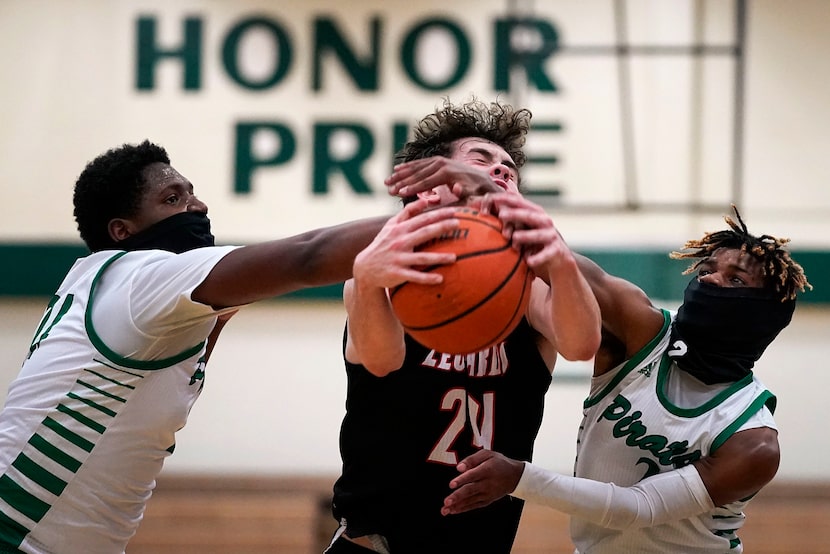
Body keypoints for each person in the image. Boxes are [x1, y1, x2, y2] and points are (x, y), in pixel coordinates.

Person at [0, 140, 462, 554]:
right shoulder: (143, 277)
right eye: (172, 199)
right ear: (123, 230)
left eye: (191, 192)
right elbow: (308, 254)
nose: (197, 207)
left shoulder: (116, 290)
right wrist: (456, 214)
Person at [439, 205, 812, 553]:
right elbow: (563, 266)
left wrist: (518, 477)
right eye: (706, 269)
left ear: (760, 315)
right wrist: (493, 201)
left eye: (734, 279)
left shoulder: (752, 439)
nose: (710, 278)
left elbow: (635, 507)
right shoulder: (640, 334)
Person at [326, 99, 602, 554]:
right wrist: (368, 277)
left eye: (509, 168)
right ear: (430, 185)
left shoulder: (528, 284)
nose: (500, 171)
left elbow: (581, 344)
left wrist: (556, 255)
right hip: (375, 544)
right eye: (481, 160)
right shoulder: (382, 274)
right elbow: (380, 361)